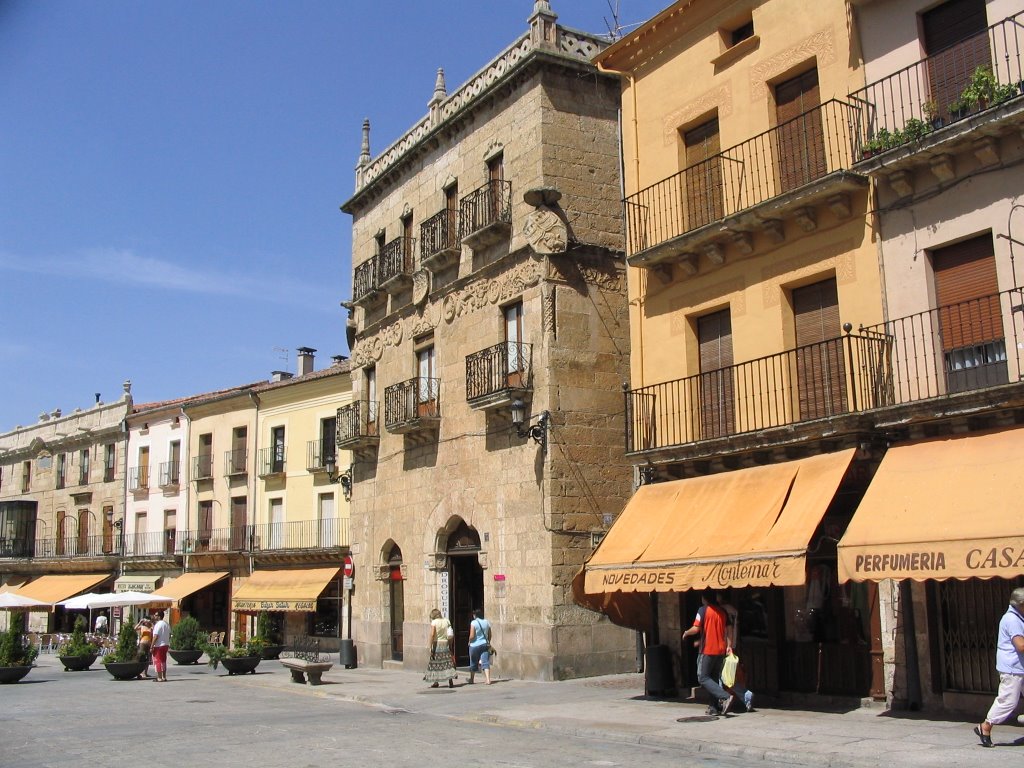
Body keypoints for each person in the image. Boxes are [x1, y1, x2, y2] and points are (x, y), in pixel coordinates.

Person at [975, 587, 1024, 748]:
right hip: (1013, 668)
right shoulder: (1012, 620)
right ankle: (986, 726)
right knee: (1008, 700)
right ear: (1020, 604)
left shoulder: (1019, 618)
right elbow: (1020, 645)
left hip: (1019, 666)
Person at [681, 588, 734, 715]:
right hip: (720, 650)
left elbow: (696, 628)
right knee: (714, 679)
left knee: (703, 677)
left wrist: (686, 632)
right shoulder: (722, 611)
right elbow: (730, 629)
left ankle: (725, 696)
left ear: (704, 598)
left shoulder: (702, 610)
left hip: (708, 650)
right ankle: (714, 708)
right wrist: (729, 645)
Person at [717, 593, 754, 713]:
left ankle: (727, 699)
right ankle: (743, 697)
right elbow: (735, 627)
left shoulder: (721, 611)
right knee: (728, 676)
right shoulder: (734, 611)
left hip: (724, 646)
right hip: (732, 645)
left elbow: (727, 630)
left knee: (724, 676)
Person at [423, 608, 457, 689]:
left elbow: (432, 634)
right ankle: (450, 680)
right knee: (447, 662)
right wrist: (450, 644)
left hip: (437, 644)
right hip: (445, 643)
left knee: (435, 663)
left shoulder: (434, 622)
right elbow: (450, 633)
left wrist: (430, 646)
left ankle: (435, 682)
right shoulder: (446, 621)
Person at [467, 608, 492, 685]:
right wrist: (488, 641)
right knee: (485, 662)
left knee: (473, 661)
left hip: (474, 645)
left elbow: (472, 635)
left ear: (475, 615)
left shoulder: (473, 623)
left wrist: (469, 641)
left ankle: (471, 679)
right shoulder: (486, 622)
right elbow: (490, 634)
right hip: (484, 644)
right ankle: (488, 679)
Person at [151, 610, 170, 683]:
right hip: (165, 644)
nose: (154, 616)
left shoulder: (158, 624)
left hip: (158, 645)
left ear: (159, 616)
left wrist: (151, 646)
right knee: (163, 661)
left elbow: (155, 636)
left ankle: (159, 677)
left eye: (155, 615)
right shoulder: (166, 624)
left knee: (157, 661)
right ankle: (164, 676)